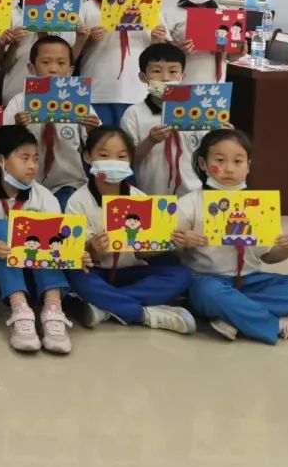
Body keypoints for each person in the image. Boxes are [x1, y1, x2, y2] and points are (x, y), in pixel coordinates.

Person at [173, 129, 288, 344]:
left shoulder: (258, 205)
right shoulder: (190, 203)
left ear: (248, 166)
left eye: (238, 161)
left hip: (251, 279)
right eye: (220, 160)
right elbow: (172, 253)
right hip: (208, 279)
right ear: (203, 164)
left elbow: (268, 257)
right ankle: (278, 326)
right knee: (205, 292)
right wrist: (183, 243)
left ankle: (230, 314)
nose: (229, 168)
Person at [64, 126, 196, 333]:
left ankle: (104, 307)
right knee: (74, 274)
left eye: (121, 156)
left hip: (131, 271)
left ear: (130, 159)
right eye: (104, 155)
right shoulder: (77, 201)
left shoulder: (140, 199)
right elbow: (76, 254)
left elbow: (145, 253)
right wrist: (91, 247)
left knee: (182, 275)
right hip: (97, 272)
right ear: (88, 157)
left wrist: (166, 241)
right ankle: (144, 314)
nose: (113, 162)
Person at [0, 125, 85, 353]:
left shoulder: (43, 195)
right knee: (4, 226)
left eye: (35, 158)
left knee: (48, 235)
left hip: (36, 275)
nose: (32, 166)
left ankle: (52, 310)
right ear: (2, 160)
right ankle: (20, 310)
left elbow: (59, 241)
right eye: (24, 158)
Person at [76, 0, 168, 126]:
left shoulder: (150, 7)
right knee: (100, 145)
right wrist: (87, 40)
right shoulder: (87, 8)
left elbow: (162, 57)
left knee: (132, 145)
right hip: (96, 91)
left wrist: (157, 42)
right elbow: (71, 55)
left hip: (139, 92)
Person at [4, 36, 100, 207]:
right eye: (46, 62)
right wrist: (16, 129)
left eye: (61, 63)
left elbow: (99, 147)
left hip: (69, 183)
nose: (53, 69)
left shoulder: (79, 103)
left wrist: (92, 130)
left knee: (65, 219)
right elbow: (2, 144)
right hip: (25, 185)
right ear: (31, 68)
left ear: (70, 71)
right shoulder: (18, 103)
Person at [122, 44, 221, 197]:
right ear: (143, 77)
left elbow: (213, 154)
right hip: (151, 194)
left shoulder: (200, 112)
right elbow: (127, 160)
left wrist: (222, 135)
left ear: (183, 77)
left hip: (194, 194)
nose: (166, 78)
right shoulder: (133, 114)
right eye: (156, 71)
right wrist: (150, 141)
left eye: (173, 71)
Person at [0, 0, 83, 105]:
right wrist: (11, 43)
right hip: (17, 94)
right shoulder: (6, 12)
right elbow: (0, 66)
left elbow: (69, 57)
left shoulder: (64, 10)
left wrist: (81, 38)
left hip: (56, 95)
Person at [167, 0, 241, 83]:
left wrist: (240, 51)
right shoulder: (168, 14)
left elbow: (231, 57)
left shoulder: (227, 14)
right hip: (181, 84)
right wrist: (177, 51)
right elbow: (158, 56)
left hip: (216, 88)